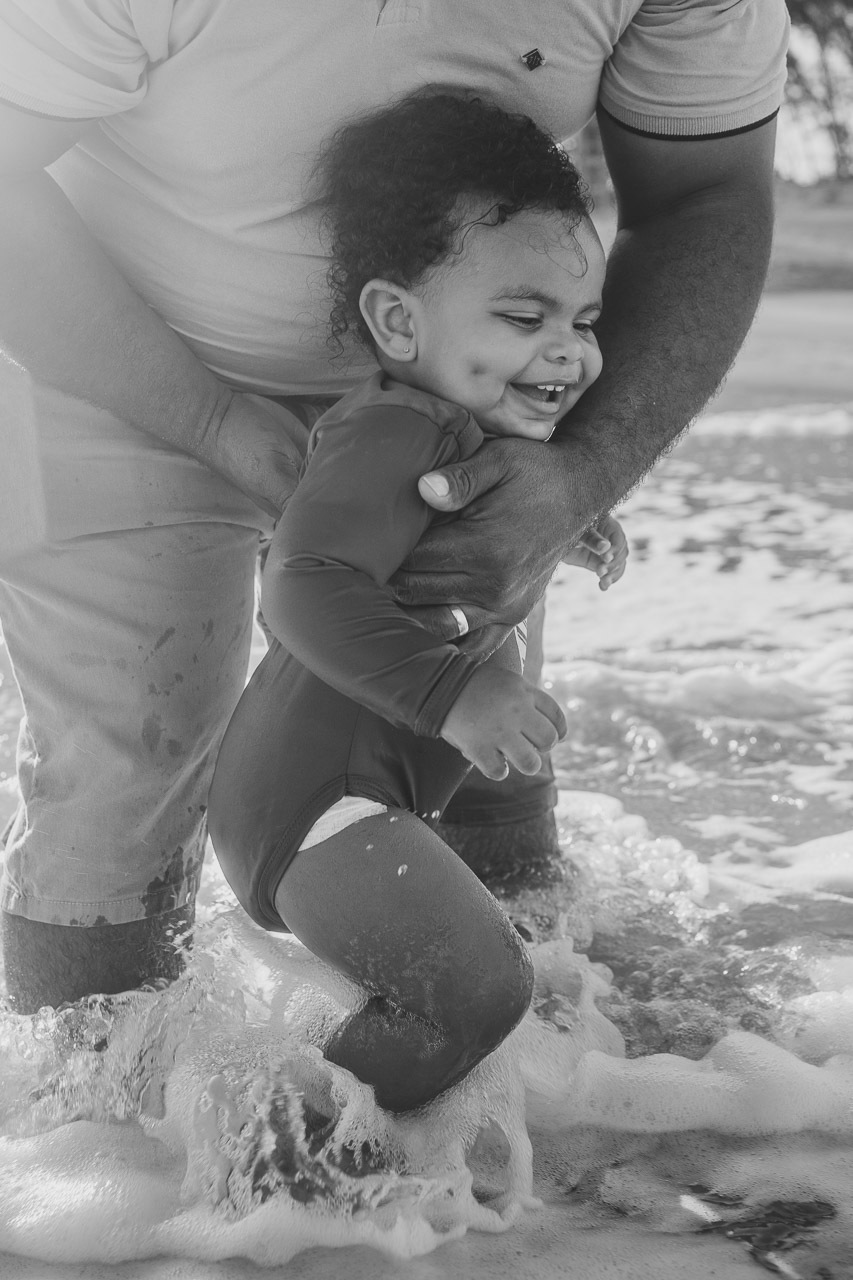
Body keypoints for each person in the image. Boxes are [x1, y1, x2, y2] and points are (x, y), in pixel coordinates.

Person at [0, 0, 789, 1013]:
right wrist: (209, 421)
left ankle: (536, 1110)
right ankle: (111, 1150)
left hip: (458, 376)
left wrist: (578, 476)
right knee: (117, 803)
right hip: (110, 353)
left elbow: (706, 194)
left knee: (485, 770)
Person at [207, 92, 625, 1113]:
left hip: (361, 791)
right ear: (397, 320)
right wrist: (458, 693)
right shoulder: (396, 429)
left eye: (583, 321)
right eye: (524, 319)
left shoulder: (465, 433)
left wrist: (560, 526)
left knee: (470, 982)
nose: (566, 351)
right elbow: (300, 585)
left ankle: (347, 1140)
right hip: (313, 803)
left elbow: (423, 547)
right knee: (478, 994)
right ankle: (286, 1147)